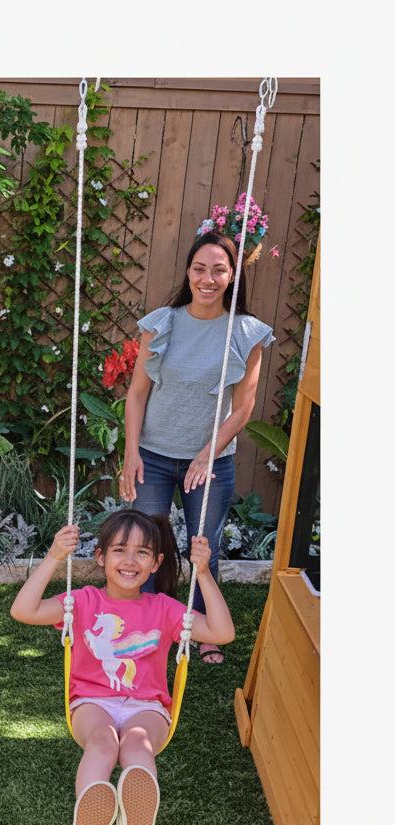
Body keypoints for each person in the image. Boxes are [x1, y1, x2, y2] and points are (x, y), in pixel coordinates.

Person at [10, 509, 234, 825]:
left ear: (156, 563)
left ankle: (134, 819)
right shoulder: (82, 602)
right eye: (119, 550)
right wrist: (54, 557)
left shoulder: (164, 608)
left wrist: (204, 574)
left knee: (137, 742)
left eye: (143, 552)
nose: (130, 561)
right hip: (91, 702)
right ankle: (92, 818)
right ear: (101, 557)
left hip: (147, 706)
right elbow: (23, 610)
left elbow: (222, 633)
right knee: (101, 741)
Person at [120, 230, 273, 665]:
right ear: (188, 272)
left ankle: (205, 629)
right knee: (143, 544)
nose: (208, 278)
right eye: (199, 268)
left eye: (219, 270)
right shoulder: (162, 322)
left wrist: (207, 453)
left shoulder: (247, 332)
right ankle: (144, 626)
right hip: (151, 454)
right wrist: (131, 452)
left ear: (232, 275)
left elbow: (242, 409)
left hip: (212, 460)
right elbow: (136, 394)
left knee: (203, 546)